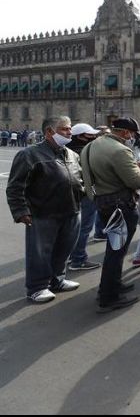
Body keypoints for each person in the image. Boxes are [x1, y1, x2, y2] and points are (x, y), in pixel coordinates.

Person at [81, 117, 140, 312]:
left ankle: (113, 285)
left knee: (115, 249)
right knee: (116, 252)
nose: (132, 138)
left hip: (103, 201)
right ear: (125, 133)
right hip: (120, 205)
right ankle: (108, 297)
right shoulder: (120, 150)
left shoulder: (92, 145)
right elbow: (137, 181)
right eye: (132, 134)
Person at [6, 116, 84, 303]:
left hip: (71, 211)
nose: (70, 132)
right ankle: (37, 287)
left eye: (70, 128)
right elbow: (15, 186)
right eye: (65, 129)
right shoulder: (29, 154)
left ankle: (57, 280)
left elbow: (78, 179)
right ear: (49, 131)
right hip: (43, 214)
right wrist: (21, 211)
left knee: (64, 249)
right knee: (40, 253)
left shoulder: (72, 154)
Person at [67, 123, 103, 271]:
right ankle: (78, 259)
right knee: (85, 227)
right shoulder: (84, 151)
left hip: (73, 193)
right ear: (80, 136)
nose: (94, 137)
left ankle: (73, 256)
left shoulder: (67, 149)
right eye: (90, 135)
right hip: (86, 192)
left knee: (75, 227)